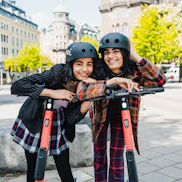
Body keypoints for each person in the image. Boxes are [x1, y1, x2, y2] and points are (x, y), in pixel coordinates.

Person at [76, 32, 166, 182]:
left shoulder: (134, 69)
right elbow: (82, 90)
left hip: (123, 116)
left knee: (117, 157)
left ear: (125, 53)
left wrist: (135, 55)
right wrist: (112, 82)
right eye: (107, 52)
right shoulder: (98, 68)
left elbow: (159, 80)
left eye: (116, 51)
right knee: (99, 157)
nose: (111, 56)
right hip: (100, 115)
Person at [10, 42, 98, 182]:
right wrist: (52, 92)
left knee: (64, 168)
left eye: (89, 64)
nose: (85, 69)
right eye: (79, 64)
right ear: (71, 64)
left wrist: (89, 98)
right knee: (34, 167)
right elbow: (17, 86)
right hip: (36, 119)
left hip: (59, 122)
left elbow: (71, 119)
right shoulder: (58, 73)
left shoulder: (87, 83)